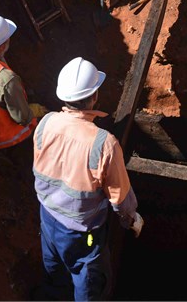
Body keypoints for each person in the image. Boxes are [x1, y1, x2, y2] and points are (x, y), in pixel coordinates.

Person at [32, 57, 144, 301]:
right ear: (94, 96)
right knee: (90, 281)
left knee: (55, 274)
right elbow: (120, 198)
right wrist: (131, 219)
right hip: (83, 234)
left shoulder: (45, 123)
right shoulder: (104, 144)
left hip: (48, 220)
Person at [0, 14, 46, 151]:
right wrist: (33, 111)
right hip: (5, 141)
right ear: (2, 46)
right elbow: (22, 117)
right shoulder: (5, 79)